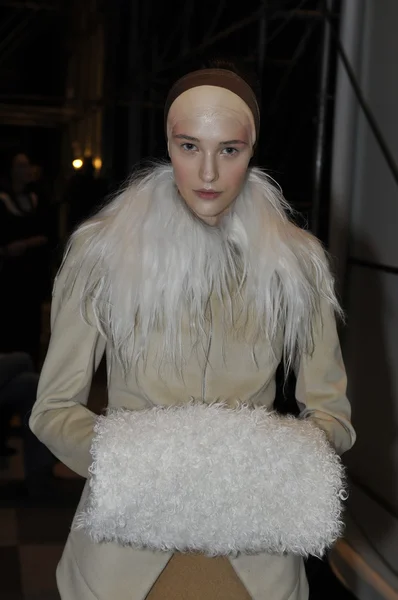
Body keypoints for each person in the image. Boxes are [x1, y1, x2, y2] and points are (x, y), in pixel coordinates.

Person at [29, 60, 356, 599]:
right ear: (168, 145)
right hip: (122, 561)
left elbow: (332, 416)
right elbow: (52, 411)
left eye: (229, 150)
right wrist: (150, 471)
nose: (208, 173)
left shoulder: (296, 263)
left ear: (252, 150)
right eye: (189, 147)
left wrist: (257, 464)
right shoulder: (103, 253)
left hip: (256, 563)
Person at [0, 152, 49, 364]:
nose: (26, 170)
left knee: (30, 324)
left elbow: (48, 234)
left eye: (28, 165)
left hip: (31, 273)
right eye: (21, 166)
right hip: (8, 273)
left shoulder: (36, 198)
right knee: (9, 321)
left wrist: (26, 244)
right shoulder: (2, 200)